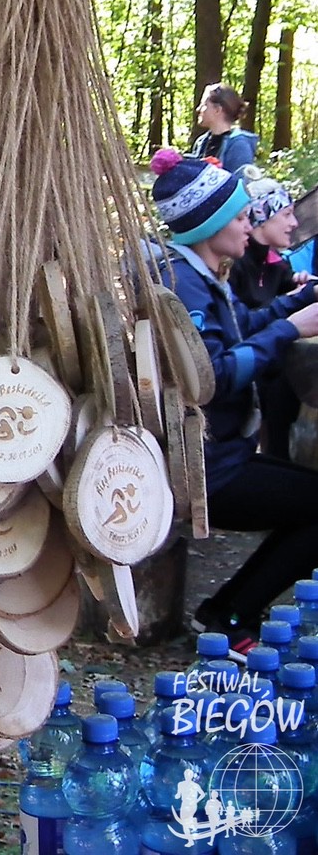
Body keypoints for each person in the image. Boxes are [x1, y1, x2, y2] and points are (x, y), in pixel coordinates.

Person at [148, 147, 318, 657]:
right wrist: (290, 329)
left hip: (219, 454)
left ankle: (229, 611)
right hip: (205, 467)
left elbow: (241, 325)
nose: (249, 226)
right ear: (210, 224)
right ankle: (228, 615)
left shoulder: (196, 276)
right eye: (241, 217)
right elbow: (214, 377)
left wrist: (298, 300)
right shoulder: (185, 289)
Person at [229, 170, 313, 456]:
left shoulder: (275, 264)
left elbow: (291, 294)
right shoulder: (234, 264)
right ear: (261, 217)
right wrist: (293, 299)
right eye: (286, 214)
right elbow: (241, 324)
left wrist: (301, 288)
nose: (295, 223)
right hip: (244, 378)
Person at [190, 83, 258, 175]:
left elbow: (240, 182)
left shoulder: (239, 146)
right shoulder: (201, 142)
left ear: (217, 110)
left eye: (204, 104)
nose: (198, 109)